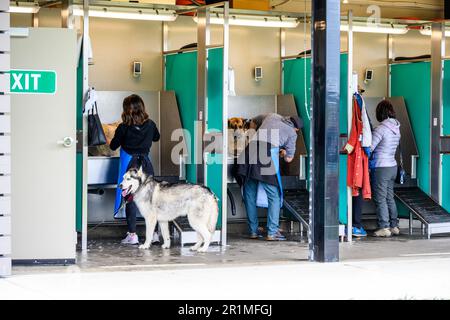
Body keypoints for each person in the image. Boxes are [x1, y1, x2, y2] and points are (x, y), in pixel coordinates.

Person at [236, 113, 302, 241]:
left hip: (250, 150)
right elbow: (289, 159)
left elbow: (254, 120)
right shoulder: (292, 133)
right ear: (296, 129)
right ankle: (272, 232)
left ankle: (253, 231)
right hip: (265, 155)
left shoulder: (272, 116)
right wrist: (282, 152)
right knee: (274, 195)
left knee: (249, 192)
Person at [110, 94, 160, 245]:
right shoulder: (150, 124)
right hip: (146, 165)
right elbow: (157, 137)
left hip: (129, 166)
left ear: (126, 110)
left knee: (130, 198)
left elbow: (113, 146)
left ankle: (132, 235)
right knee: (150, 199)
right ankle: (155, 234)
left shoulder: (123, 127)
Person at [370, 100, 401, 237]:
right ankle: (394, 226)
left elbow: (370, 147)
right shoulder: (396, 128)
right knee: (389, 197)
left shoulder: (381, 129)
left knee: (380, 198)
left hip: (381, 167)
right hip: (392, 166)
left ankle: (384, 227)